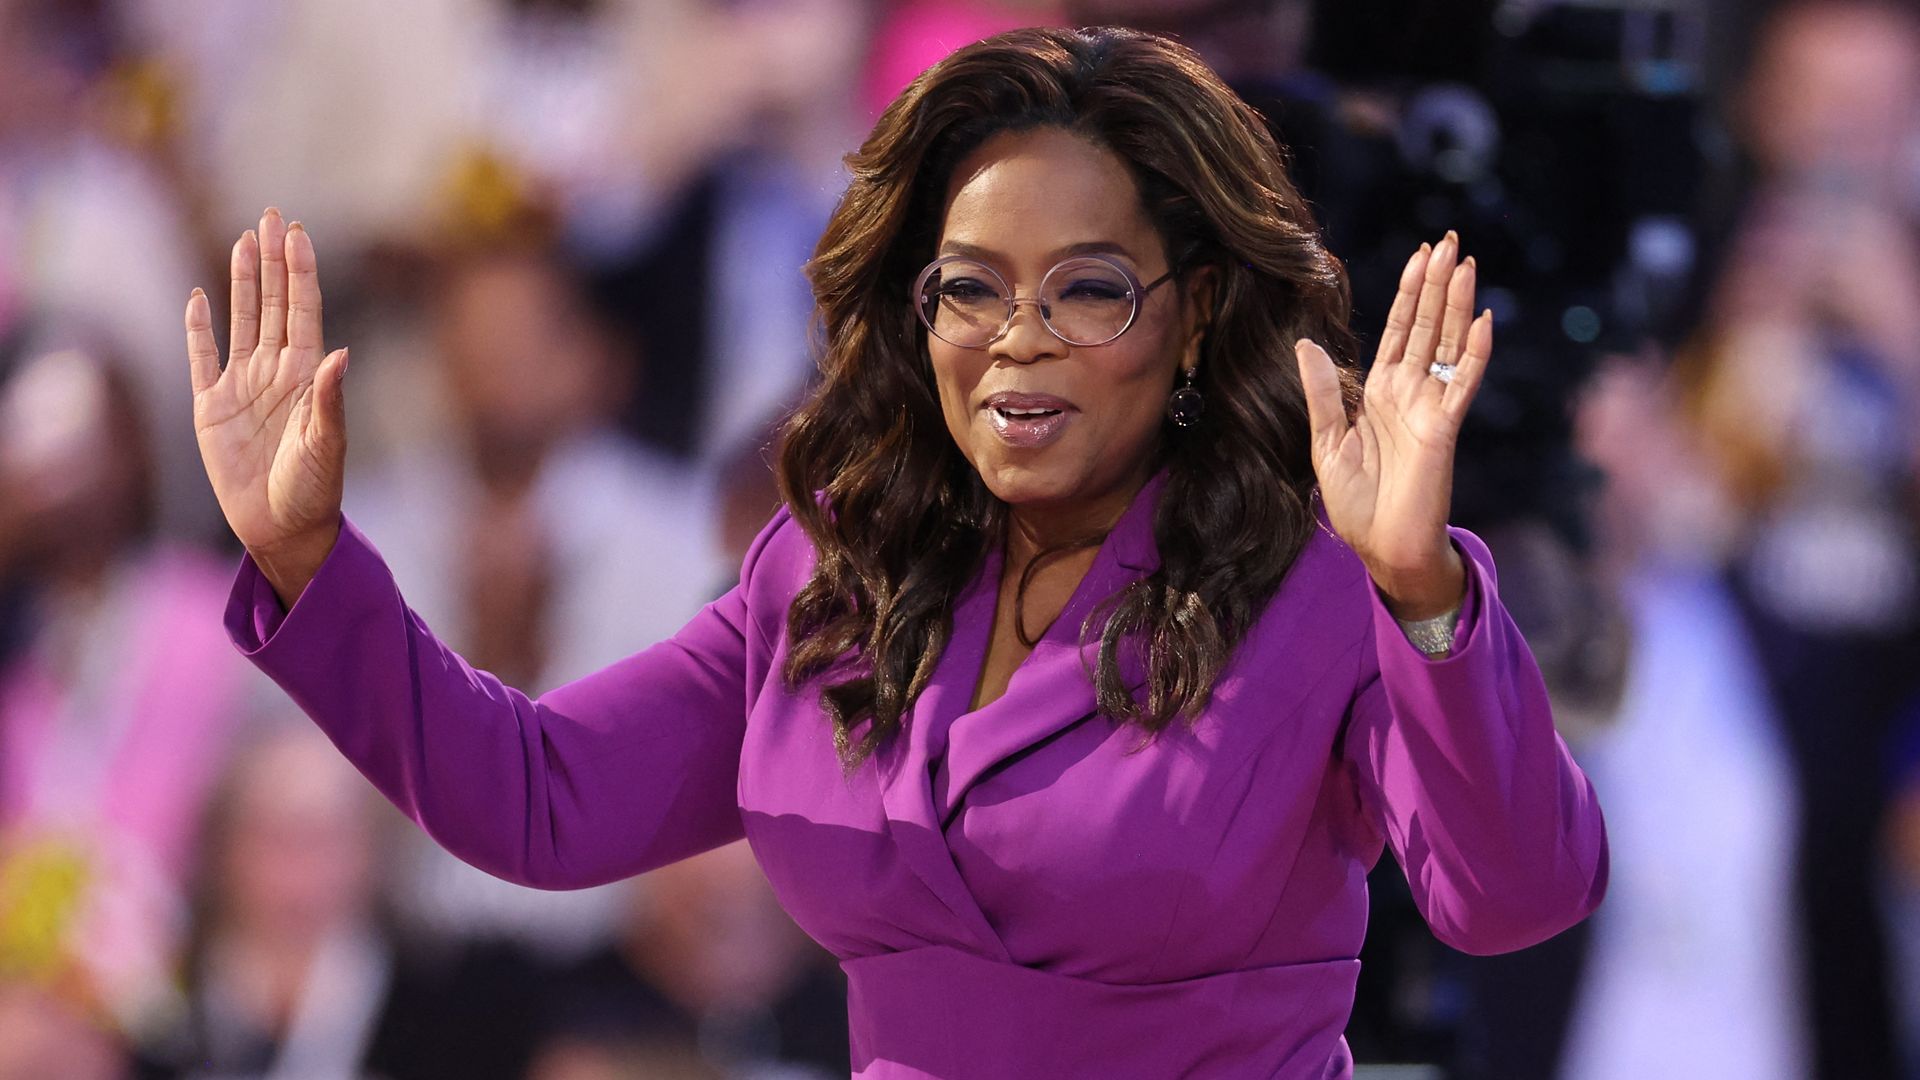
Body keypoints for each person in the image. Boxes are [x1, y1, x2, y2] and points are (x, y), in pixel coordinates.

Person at [183, 26, 1606, 1078]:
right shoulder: (827, 576)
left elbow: (1514, 896)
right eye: (969, 288)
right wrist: (311, 560)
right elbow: (540, 802)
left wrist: (1422, 591)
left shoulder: (1318, 584)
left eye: (1090, 289)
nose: (1018, 338)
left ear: (1197, 312)